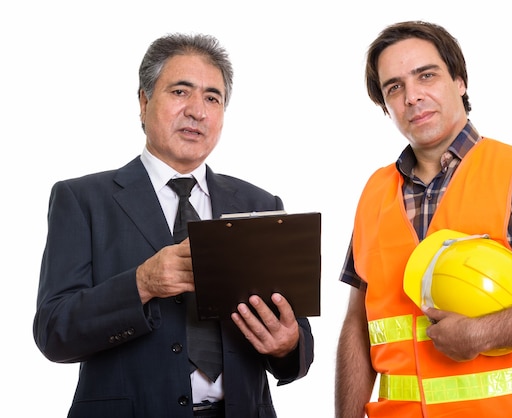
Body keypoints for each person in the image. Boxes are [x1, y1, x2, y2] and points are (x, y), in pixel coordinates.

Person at [334, 20, 512, 418]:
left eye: (426, 75)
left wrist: (483, 333)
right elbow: (357, 326)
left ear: (460, 82)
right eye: (394, 87)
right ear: (385, 104)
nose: (412, 96)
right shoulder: (374, 192)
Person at [33, 33, 314, 418]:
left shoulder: (259, 205)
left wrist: (287, 343)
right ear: (144, 102)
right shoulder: (82, 200)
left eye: (212, 98)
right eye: (181, 92)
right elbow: (54, 332)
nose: (197, 111)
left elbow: (297, 341)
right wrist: (141, 284)